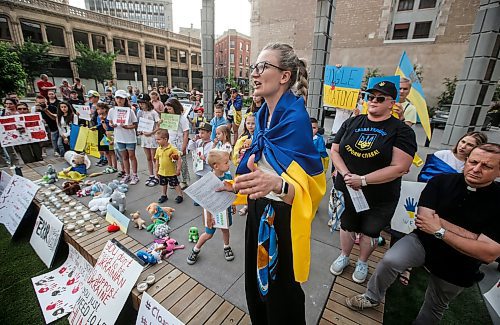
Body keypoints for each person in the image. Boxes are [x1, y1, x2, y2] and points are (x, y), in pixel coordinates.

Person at [220, 43, 326, 324]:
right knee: (255, 286)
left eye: (263, 66)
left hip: (280, 218)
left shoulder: (296, 118)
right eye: (254, 66)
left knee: (281, 293)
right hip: (258, 210)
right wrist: (234, 185)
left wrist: (277, 185)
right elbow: (259, 167)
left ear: (284, 76)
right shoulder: (264, 116)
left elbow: (309, 191)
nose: (255, 73)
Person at [346, 143, 500, 324]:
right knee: (390, 260)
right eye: (473, 162)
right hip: (423, 242)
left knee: (435, 306)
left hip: (461, 263)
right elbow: (424, 219)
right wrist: (474, 237)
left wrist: (440, 229)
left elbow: (489, 253)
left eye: (487, 166)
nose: (476, 169)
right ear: (466, 160)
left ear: (498, 171)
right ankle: (372, 296)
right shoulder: (441, 181)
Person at [329, 80, 417, 284]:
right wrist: (346, 174)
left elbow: (400, 166)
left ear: (391, 103)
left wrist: (364, 180)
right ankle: (344, 255)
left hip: (380, 195)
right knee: (347, 225)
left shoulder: (401, 130)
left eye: (380, 98)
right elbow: (335, 150)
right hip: (348, 188)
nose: (373, 101)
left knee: (371, 230)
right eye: (370, 97)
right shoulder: (352, 122)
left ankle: (362, 261)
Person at [187, 149, 236, 264]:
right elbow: (206, 201)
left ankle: (226, 246)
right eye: (226, 162)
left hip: (224, 209)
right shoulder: (209, 180)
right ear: (216, 166)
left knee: (225, 229)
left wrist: (233, 203)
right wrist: (208, 217)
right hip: (212, 211)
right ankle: (196, 249)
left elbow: (231, 191)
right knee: (208, 234)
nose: (229, 164)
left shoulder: (228, 175)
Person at [418, 131, 488, 182]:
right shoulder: (441, 155)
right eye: (463, 142)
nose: (463, 146)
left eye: (470, 145)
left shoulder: (477, 165)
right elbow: (424, 176)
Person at [108, 89, 139, 185]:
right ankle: (127, 174)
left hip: (129, 137)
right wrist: (112, 124)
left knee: (131, 156)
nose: (119, 100)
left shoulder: (130, 111)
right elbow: (110, 121)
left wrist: (127, 127)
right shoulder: (112, 110)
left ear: (125, 99)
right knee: (124, 157)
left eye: (121, 98)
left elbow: (135, 124)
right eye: (117, 98)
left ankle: (135, 174)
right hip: (119, 136)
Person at [163, 98, 190, 189]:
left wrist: (184, 147)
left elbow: (186, 133)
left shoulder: (182, 119)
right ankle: (175, 180)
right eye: (167, 109)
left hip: (180, 144)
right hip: (171, 144)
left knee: (182, 164)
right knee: (173, 163)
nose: (168, 111)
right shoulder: (168, 117)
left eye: (170, 109)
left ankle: (184, 181)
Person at [137, 93, 161, 186]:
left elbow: (159, 125)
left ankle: (156, 175)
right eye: (140, 103)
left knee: (154, 158)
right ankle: (151, 174)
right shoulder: (140, 112)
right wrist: (139, 131)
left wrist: (152, 132)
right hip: (144, 137)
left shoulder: (153, 112)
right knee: (148, 158)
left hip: (152, 137)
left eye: (142, 103)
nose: (141, 105)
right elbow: (140, 124)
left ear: (147, 102)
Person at [188, 122, 214, 206]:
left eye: (203, 133)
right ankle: (198, 198)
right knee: (198, 184)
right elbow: (190, 147)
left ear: (209, 133)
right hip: (198, 168)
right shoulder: (198, 141)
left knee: (206, 185)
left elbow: (211, 157)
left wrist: (205, 158)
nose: (200, 134)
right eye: (199, 132)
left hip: (206, 170)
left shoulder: (211, 144)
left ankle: (206, 198)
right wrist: (193, 140)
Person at [154, 129, 184, 204]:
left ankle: (180, 195)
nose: (157, 141)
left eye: (158, 139)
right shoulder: (158, 149)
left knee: (175, 184)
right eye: (156, 139)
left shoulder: (172, 149)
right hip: (162, 171)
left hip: (171, 172)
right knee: (163, 184)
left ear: (165, 139)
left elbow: (179, 158)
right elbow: (157, 160)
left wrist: (178, 169)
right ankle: (164, 195)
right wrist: (156, 169)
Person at [95, 103, 118, 174]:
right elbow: (99, 126)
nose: (98, 111)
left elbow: (107, 128)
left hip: (109, 133)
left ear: (104, 109)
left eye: (99, 109)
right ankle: (109, 165)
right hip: (102, 134)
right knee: (106, 151)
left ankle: (115, 167)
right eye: (97, 109)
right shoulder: (98, 117)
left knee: (111, 151)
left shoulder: (108, 117)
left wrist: (103, 121)